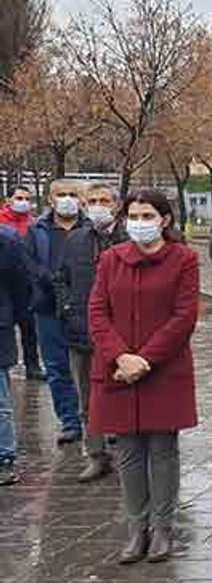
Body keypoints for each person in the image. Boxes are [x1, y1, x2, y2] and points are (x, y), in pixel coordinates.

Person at [88, 189, 200, 564]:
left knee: (162, 451)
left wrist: (144, 359)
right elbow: (98, 312)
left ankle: (163, 528)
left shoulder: (184, 259)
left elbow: (184, 317)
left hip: (163, 370)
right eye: (133, 215)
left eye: (147, 215)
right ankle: (137, 529)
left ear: (164, 219)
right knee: (128, 452)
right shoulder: (111, 259)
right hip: (116, 370)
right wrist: (120, 354)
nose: (139, 222)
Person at [59, 182, 126, 483]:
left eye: (104, 200)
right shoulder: (75, 240)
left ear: (117, 204)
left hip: (122, 335)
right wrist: (68, 308)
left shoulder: (130, 237)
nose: (98, 205)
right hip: (81, 332)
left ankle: (129, 453)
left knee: (124, 394)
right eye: (93, 200)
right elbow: (62, 278)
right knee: (88, 398)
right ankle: (97, 454)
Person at [25, 179, 88, 445]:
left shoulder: (90, 227)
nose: (67, 199)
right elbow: (28, 262)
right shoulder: (37, 229)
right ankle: (70, 422)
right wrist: (49, 280)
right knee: (57, 367)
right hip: (48, 307)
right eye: (61, 194)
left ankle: (96, 421)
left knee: (91, 367)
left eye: (73, 194)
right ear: (50, 199)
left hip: (83, 307)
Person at [1, 186, 40, 379]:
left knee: (29, 326)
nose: (23, 202)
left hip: (26, 284)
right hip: (5, 283)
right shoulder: (1, 222)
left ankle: (32, 365)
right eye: (18, 198)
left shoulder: (34, 224)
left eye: (26, 198)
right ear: (8, 200)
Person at [0, 226, 28, 486]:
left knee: (0, 402)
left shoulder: (7, 240)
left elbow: (20, 284)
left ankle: (4, 458)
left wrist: (20, 319)